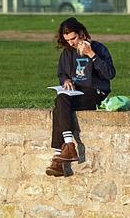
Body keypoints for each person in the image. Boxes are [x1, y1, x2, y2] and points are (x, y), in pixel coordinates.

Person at [47, 17, 115, 178]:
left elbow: (110, 74)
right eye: (67, 40)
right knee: (60, 99)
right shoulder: (68, 52)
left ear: (82, 34)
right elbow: (62, 73)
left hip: (94, 92)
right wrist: (66, 81)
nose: (71, 43)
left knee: (59, 109)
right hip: (75, 92)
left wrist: (91, 54)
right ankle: (69, 145)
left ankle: (58, 158)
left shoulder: (98, 48)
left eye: (74, 38)